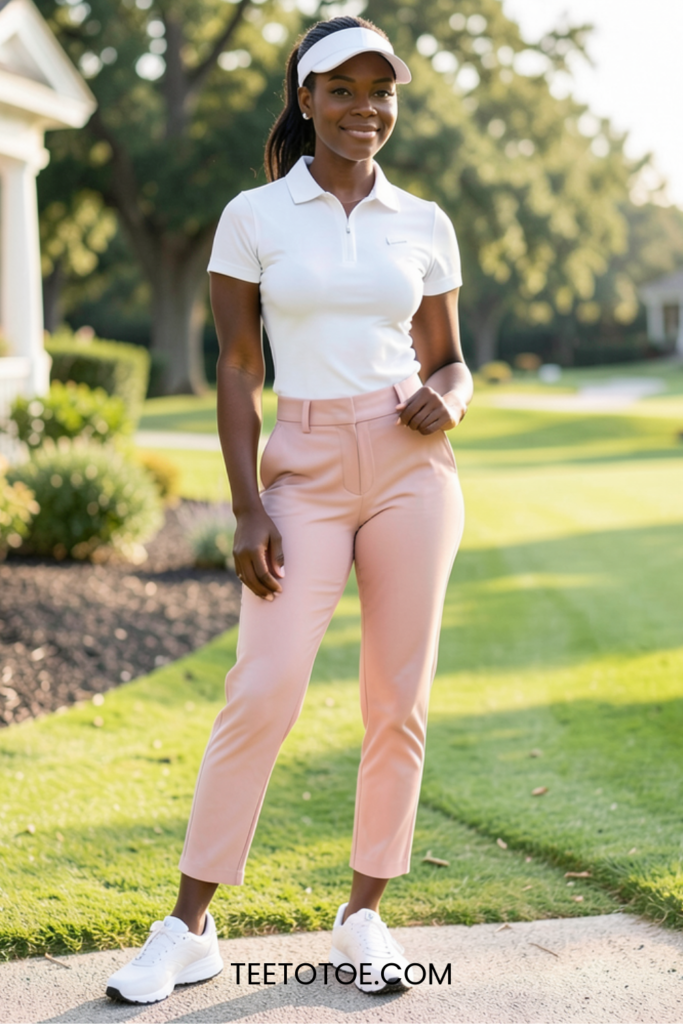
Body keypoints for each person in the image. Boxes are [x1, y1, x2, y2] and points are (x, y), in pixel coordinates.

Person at [106, 14, 472, 1005]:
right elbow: (237, 369)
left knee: (396, 699)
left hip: (410, 467)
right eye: (342, 90)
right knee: (262, 686)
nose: (365, 109)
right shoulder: (254, 216)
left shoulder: (422, 221)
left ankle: (362, 916)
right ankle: (187, 928)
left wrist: (452, 396)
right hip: (301, 468)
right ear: (304, 99)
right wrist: (247, 507)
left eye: (380, 91)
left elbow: (448, 358)